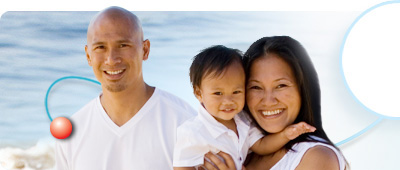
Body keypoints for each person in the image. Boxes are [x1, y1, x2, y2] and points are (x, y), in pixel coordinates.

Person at [54, 7, 196, 170]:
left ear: (145, 49)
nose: (111, 59)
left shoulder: (184, 124)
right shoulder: (72, 133)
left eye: (123, 45)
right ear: (88, 56)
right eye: (100, 47)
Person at [202, 36, 348, 170]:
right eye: (256, 87)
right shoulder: (238, 149)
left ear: (303, 89)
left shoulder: (317, 156)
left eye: (281, 86)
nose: (268, 101)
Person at [173, 45, 316, 170]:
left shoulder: (243, 120)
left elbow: (261, 145)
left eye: (236, 92)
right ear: (199, 93)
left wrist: (285, 135)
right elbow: (181, 166)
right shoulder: (192, 132)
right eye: (218, 93)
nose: (228, 101)